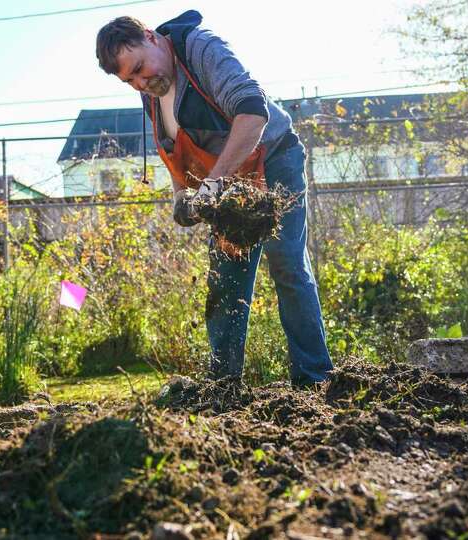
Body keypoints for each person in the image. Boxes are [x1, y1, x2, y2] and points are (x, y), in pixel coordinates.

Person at [95, 10, 333, 387]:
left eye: (141, 67)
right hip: (228, 183)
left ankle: (315, 378)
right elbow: (178, 151)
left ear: (151, 37)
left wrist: (213, 185)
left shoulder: (201, 49)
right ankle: (223, 386)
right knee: (226, 279)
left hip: (273, 160)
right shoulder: (153, 94)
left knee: (287, 264)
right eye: (131, 80)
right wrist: (181, 195)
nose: (142, 82)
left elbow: (253, 114)